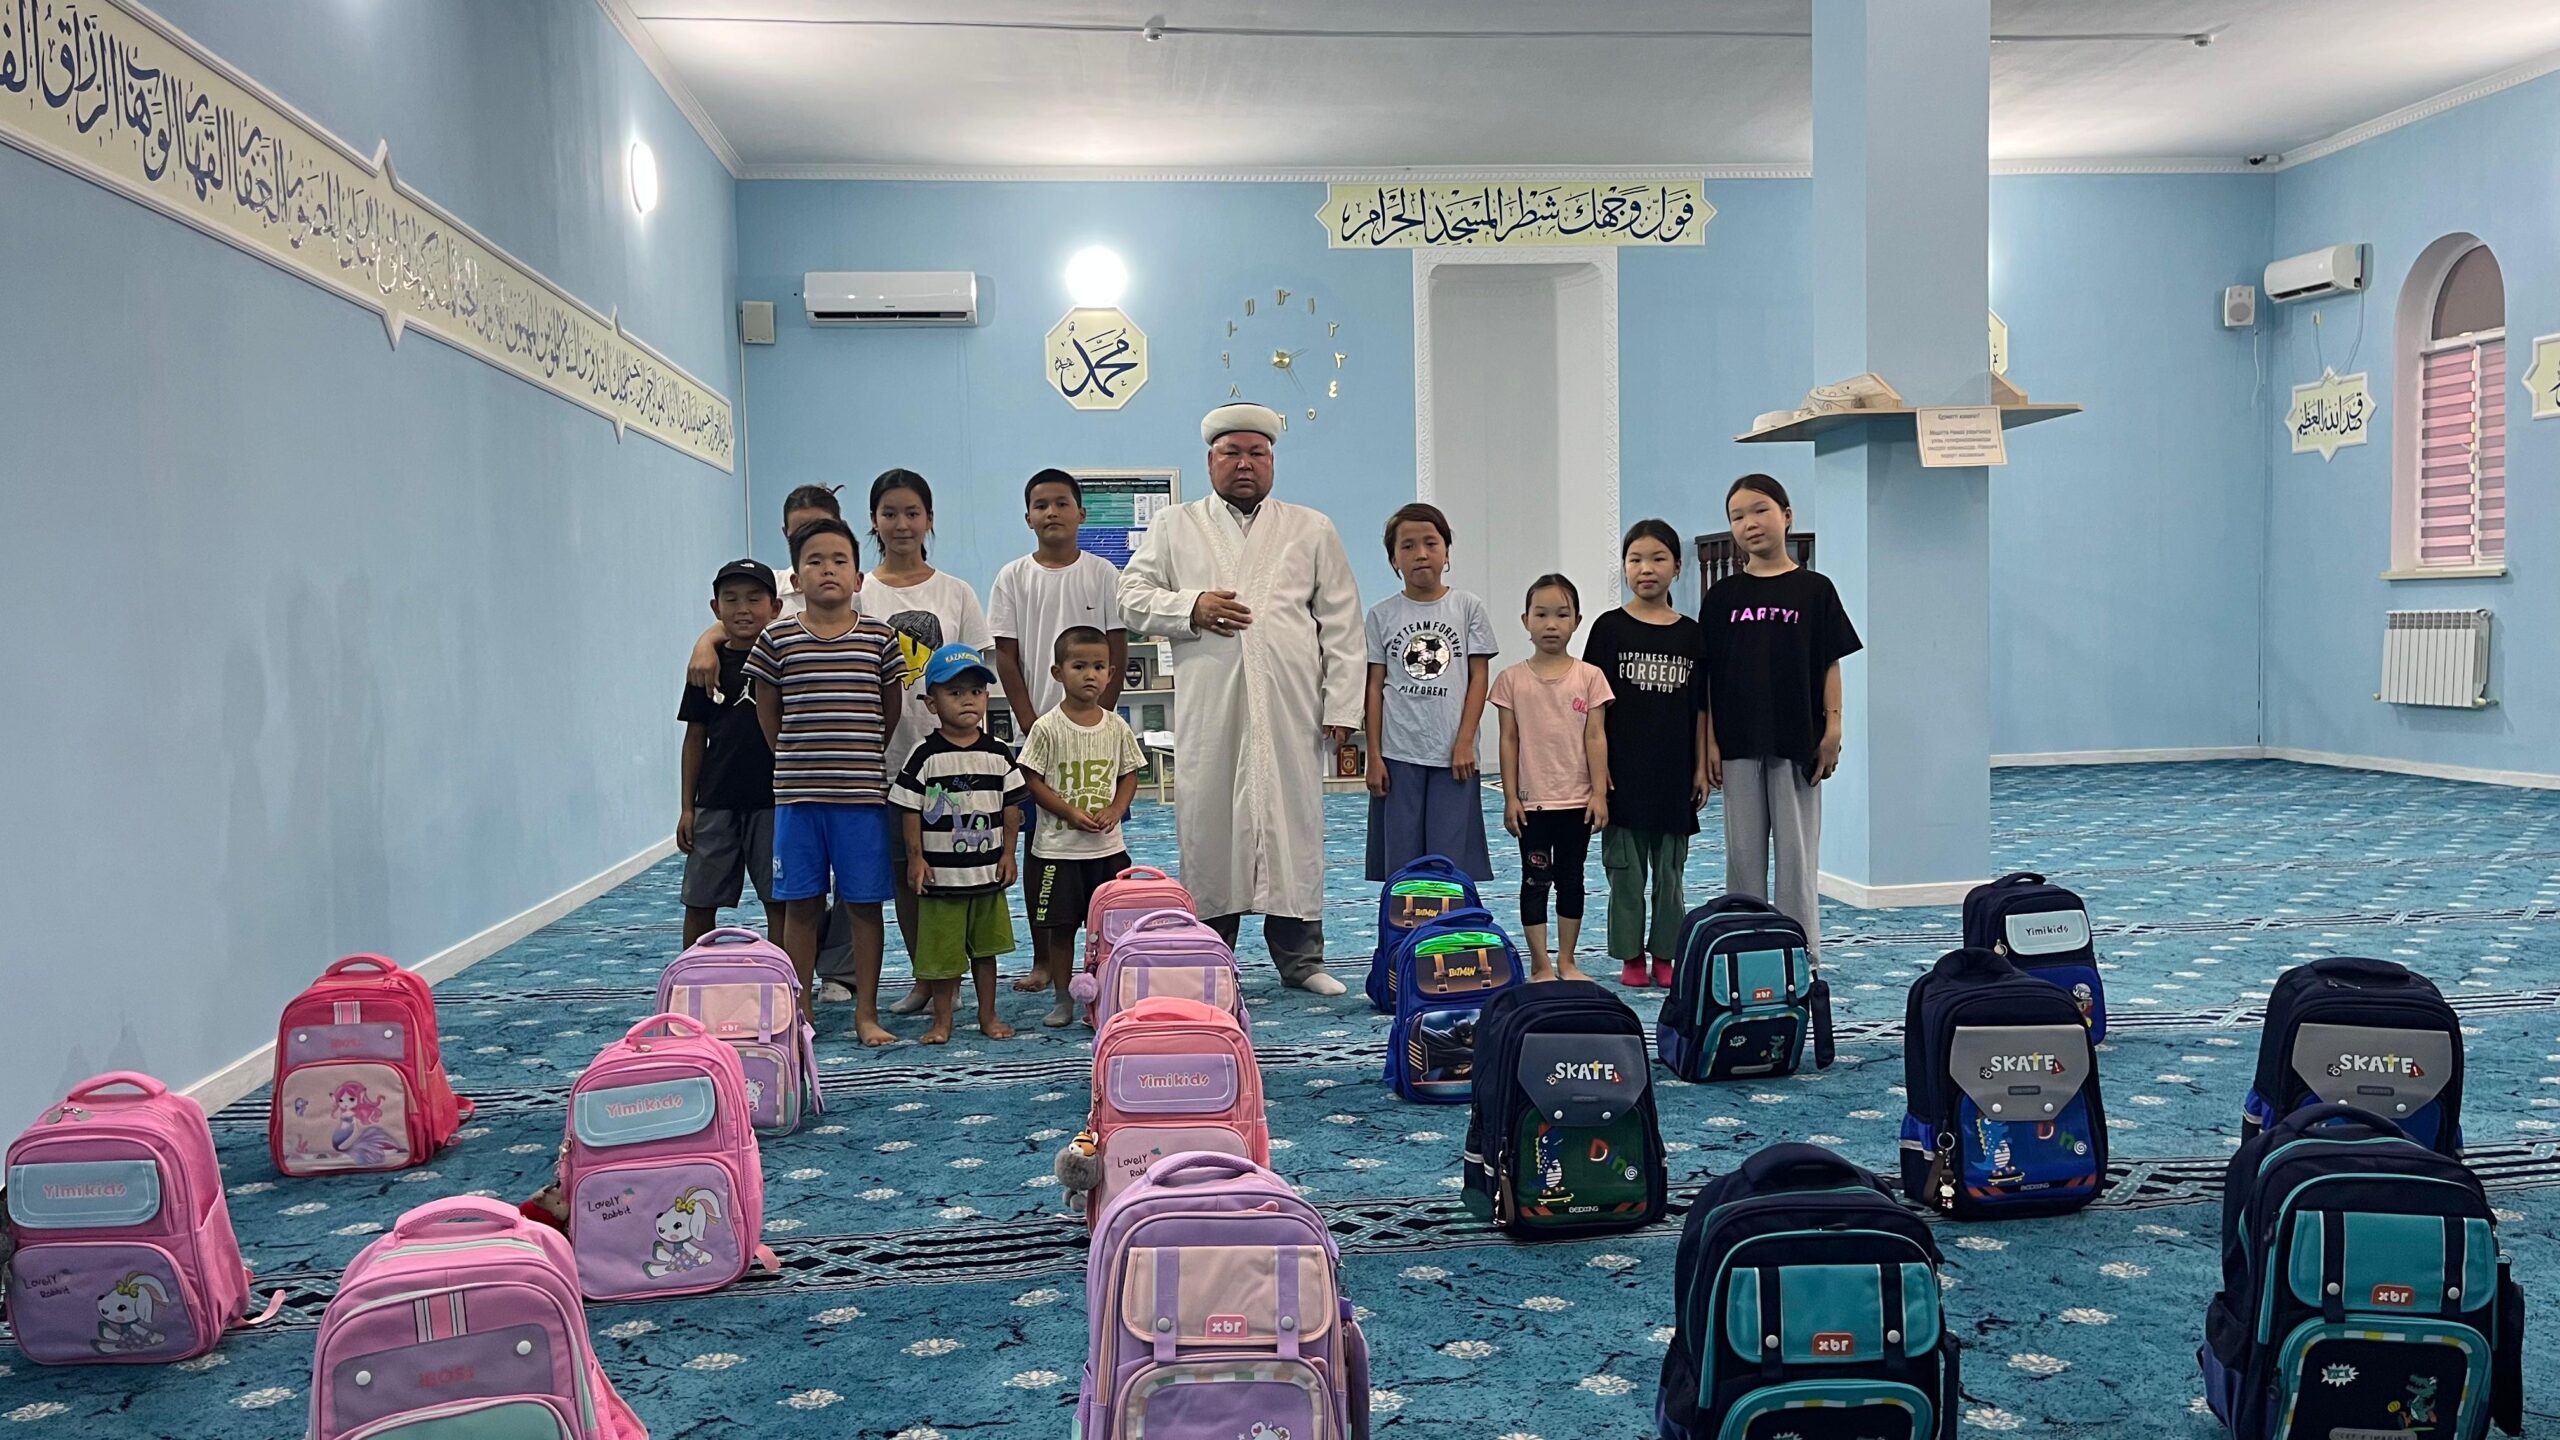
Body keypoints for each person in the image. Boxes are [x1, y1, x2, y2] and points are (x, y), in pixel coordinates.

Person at [1120, 401, 1364, 995]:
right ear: (1211, 462)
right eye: (1232, 453)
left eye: (1257, 452)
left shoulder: (1311, 527)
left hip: (1290, 705)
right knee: (1210, 825)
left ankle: (1302, 960)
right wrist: (1192, 606)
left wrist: (1341, 706)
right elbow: (1130, 596)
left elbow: (1341, 622)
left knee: (1293, 823)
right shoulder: (1174, 526)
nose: (1245, 463)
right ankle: (1209, 953)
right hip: (1212, 708)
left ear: (1273, 462)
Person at [689, 482, 860, 1000]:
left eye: (823, 530)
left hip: (823, 780)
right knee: (748, 892)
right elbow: (707, 728)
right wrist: (705, 642)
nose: (820, 556)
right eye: (801, 533)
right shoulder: (776, 602)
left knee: (817, 890)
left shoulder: (849, 589)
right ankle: (705, 982)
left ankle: (820, 976)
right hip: (757, 789)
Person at [746, 518, 903, 1043]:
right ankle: (801, 1012)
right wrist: (793, 758)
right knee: (801, 904)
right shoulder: (776, 638)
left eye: (839, 560)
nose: (827, 570)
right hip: (798, 798)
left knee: (864, 905)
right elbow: (768, 712)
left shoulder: (880, 638)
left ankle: (866, 1013)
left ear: (858, 578)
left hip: (861, 798)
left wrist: (858, 755)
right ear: (796, 579)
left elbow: (889, 709)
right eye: (814, 561)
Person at [1702, 475, 1861, 965]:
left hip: (1797, 738)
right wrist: (1710, 742)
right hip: (1737, 742)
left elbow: (1829, 663)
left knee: (1796, 856)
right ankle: (1745, 949)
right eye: (1737, 516)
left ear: (1787, 516)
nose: (1749, 523)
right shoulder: (1722, 596)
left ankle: (1799, 952)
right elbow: (1709, 677)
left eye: (1760, 510)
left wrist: (1833, 728)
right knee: (1743, 858)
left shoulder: (1815, 589)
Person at [856, 469, 995, 1015]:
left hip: (954, 763)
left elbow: (978, 679)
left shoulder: (956, 591)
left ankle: (960, 977)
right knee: (909, 874)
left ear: (930, 519)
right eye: (889, 513)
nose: (901, 524)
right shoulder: (858, 591)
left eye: (912, 513)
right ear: (873, 521)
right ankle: (925, 977)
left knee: (963, 870)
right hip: (888, 760)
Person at [988, 467, 1128, 994]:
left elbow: (1117, 649)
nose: (1052, 512)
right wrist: (1033, 722)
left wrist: (1099, 720)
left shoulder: (1103, 574)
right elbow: (1006, 656)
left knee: (1099, 838)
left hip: (1097, 737)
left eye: (1062, 503)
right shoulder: (1012, 577)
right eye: (1041, 504)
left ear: (1080, 513)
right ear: (1028, 517)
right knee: (1042, 849)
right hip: (1040, 736)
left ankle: (1104, 953)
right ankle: (1045, 958)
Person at [1584, 519, 1709, 990]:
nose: (1646, 568)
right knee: (1625, 873)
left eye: (1658, 558)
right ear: (1624, 567)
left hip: (1674, 773)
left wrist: (1701, 766)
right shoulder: (1608, 629)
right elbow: (1593, 710)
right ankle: (1631, 955)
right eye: (1635, 559)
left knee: (1670, 875)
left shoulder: (1692, 635)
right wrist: (1596, 774)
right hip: (1622, 776)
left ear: (1677, 566)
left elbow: (1701, 708)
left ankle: (1665, 953)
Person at [887, 644, 1029, 1044]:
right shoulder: (923, 755)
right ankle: (942, 1022)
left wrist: (1008, 855)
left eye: (976, 691)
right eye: (954, 692)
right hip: (941, 879)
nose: (967, 700)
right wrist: (916, 860)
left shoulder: (998, 753)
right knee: (942, 956)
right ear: (932, 703)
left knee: (986, 952)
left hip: (986, 877)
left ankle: (988, 1015)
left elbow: (1012, 809)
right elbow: (909, 810)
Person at [1016, 627, 1146, 1027]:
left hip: (1108, 852)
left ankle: (1107, 993)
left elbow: (1129, 774)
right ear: (1058, 673)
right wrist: (1068, 812)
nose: (1090, 675)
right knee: (1061, 929)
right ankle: (1063, 999)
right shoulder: (1047, 727)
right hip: (1058, 853)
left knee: (1110, 929)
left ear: (1111, 674)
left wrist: (1117, 808)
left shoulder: (1116, 726)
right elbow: (1032, 778)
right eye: (1079, 666)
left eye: (1099, 667)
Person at [1363, 502, 1496, 883]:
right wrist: (1374, 756)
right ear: (1394, 560)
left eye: (1431, 543)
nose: (1420, 553)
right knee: (1402, 863)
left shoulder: (1467, 608)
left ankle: (1449, 922)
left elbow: (1478, 678)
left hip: (1453, 757)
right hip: (1398, 756)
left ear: (1446, 552)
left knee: (1448, 862)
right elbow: (1374, 687)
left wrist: (1465, 741)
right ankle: (1402, 923)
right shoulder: (1381, 616)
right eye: (1407, 546)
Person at [1491, 574, 1613, 981]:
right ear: (1525, 620)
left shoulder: (1590, 677)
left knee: (1572, 879)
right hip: (1534, 806)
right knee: (1535, 880)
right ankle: (1540, 963)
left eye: (1562, 615)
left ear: (1577, 621)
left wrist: (1599, 793)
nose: (1551, 624)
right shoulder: (1511, 680)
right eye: (1541, 614)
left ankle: (1567, 960)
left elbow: (1596, 737)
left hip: (1577, 803)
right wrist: (1511, 797)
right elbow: (1509, 740)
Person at [677, 558, 781, 948]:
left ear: (775, 608)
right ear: (715, 608)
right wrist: (688, 807)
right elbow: (694, 738)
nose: (743, 609)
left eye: (754, 599)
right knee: (700, 900)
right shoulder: (706, 667)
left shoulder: (786, 663)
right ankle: (690, 975)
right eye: (731, 599)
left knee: (780, 900)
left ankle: (785, 977)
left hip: (774, 802)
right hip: (716, 800)